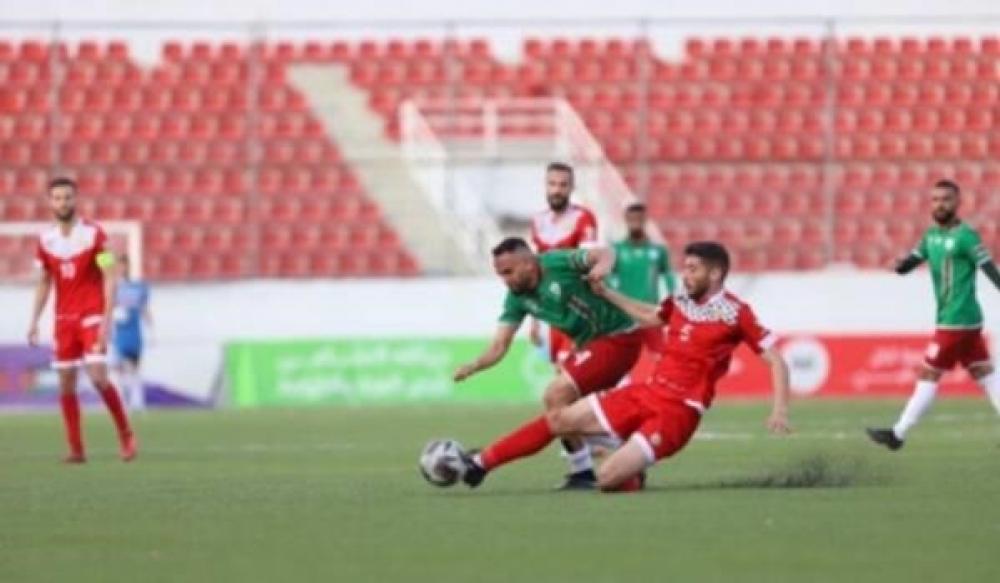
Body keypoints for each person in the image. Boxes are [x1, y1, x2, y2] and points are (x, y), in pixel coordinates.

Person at [451, 242, 791, 492]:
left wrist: (779, 410)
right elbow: (649, 315)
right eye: (685, 268)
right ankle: (482, 462)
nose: (685, 275)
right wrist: (607, 293)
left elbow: (775, 360)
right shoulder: (680, 301)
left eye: (693, 269)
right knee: (558, 418)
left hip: (678, 412)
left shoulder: (736, 313)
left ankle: (625, 469)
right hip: (647, 393)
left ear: (715, 273)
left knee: (607, 478)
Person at [453, 237, 646, 489]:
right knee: (562, 409)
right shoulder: (516, 298)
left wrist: (601, 268)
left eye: (509, 272)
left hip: (619, 338)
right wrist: (474, 365)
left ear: (528, 263)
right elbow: (499, 345)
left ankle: (486, 462)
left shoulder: (558, 262)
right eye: (500, 274)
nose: (505, 280)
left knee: (556, 396)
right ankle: (601, 464)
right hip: (590, 345)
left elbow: (605, 253)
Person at [867, 179, 1000, 450]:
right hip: (961, 321)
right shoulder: (930, 236)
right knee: (985, 373)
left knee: (929, 374)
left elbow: (989, 269)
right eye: (936, 199)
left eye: (946, 199)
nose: (940, 204)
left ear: (958, 203)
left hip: (956, 321)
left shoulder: (966, 236)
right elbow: (910, 264)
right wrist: (898, 266)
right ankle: (898, 434)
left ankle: (898, 434)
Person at [27, 177, 137, 463]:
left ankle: (125, 434)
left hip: (92, 314)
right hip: (64, 319)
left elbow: (110, 276)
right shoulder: (45, 240)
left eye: (67, 197)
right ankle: (76, 449)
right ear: (50, 202)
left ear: (75, 200)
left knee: (98, 376)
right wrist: (34, 320)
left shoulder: (94, 235)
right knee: (66, 383)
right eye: (57, 198)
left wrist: (107, 318)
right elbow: (44, 282)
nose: (63, 202)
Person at [528, 162, 598, 365]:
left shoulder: (583, 218)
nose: (557, 190)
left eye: (563, 185)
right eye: (552, 184)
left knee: (570, 374)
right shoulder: (538, 221)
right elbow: (534, 273)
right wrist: (534, 320)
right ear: (545, 185)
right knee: (560, 370)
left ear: (571, 188)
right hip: (551, 313)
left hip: (575, 310)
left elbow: (588, 264)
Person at [609, 202, 675, 354]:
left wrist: (674, 302)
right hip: (625, 313)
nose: (635, 223)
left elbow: (669, 278)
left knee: (659, 354)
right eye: (632, 219)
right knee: (620, 354)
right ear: (626, 220)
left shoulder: (658, 250)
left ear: (645, 220)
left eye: (639, 219)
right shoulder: (617, 250)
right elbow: (607, 279)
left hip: (650, 312)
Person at [112, 254, 152, 412]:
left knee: (135, 368)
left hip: (134, 333)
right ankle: (122, 401)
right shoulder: (112, 287)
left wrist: (151, 327)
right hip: (118, 334)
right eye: (119, 265)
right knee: (120, 367)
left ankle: (137, 401)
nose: (122, 268)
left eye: (124, 265)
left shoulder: (138, 287)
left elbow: (144, 308)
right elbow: (107, 307)